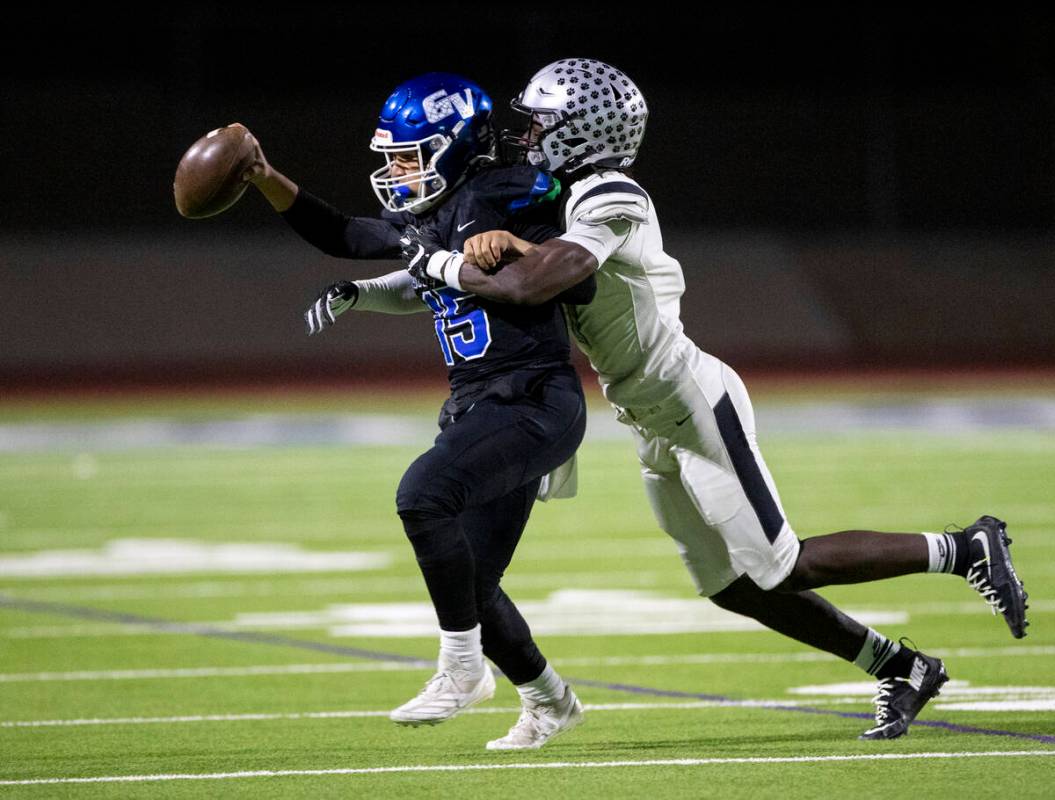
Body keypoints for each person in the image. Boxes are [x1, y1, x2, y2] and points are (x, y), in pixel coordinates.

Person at [420, 58, 1029, 741]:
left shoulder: (610, 193)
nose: (527, 132)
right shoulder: (559, 195)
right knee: (729, 584)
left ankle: (961, 547)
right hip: (647, 416)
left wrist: (448, 262)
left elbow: (541, 281)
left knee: (782, 564)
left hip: (691, 401)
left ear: (581, 128)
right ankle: (900, 666)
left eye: (541, 120)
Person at [241, 71, 592, 750]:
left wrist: (487, 243)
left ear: (457, 147)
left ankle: (460, 671)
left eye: (411, 155)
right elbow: (343, 232)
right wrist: (263, 175)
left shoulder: (499, 191)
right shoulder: (434, 213)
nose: (398, 171)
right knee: (472, 582)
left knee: (421, 496)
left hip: (531, 398)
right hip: (477, 405)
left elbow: (533, 236)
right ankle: (550, 700)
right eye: (393, 158)